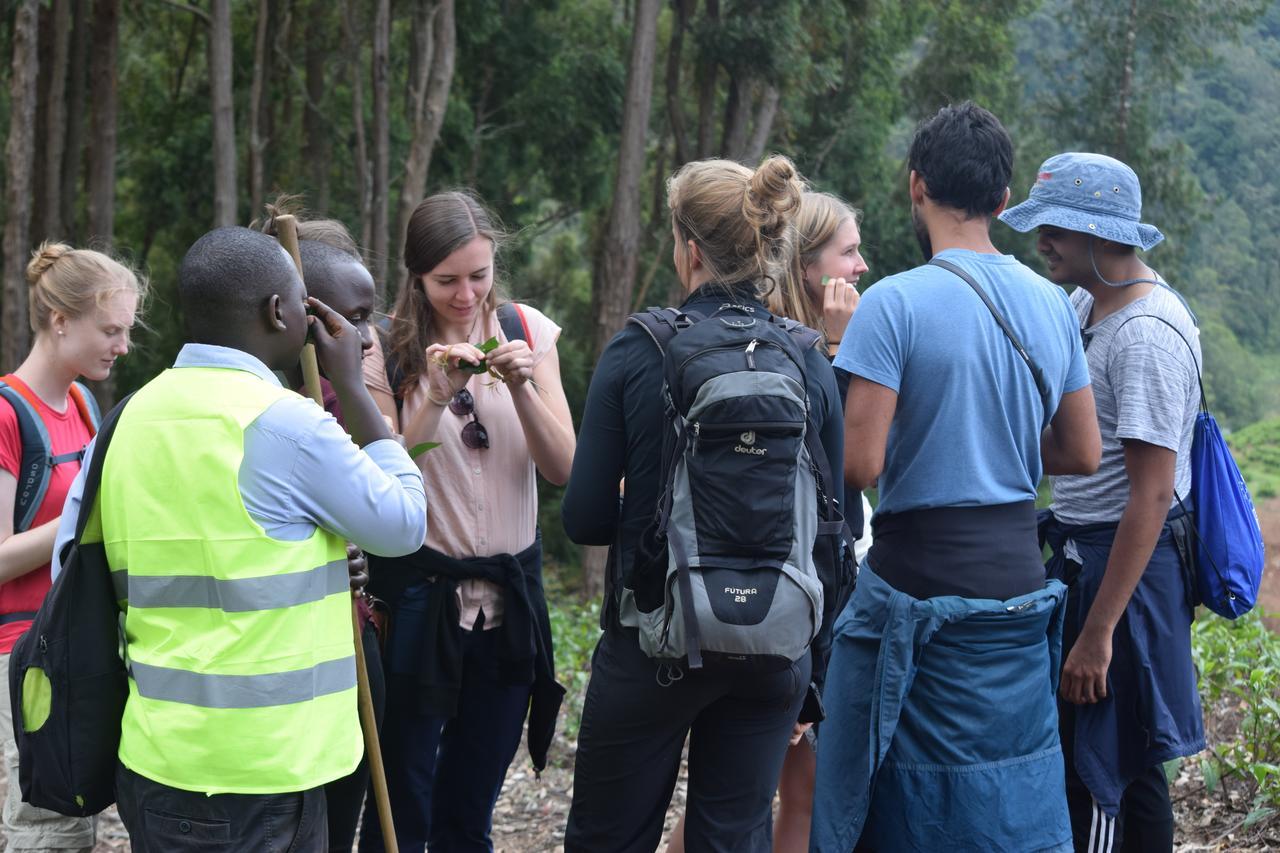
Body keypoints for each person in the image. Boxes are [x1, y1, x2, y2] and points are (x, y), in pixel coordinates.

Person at [51, 226, 427, 852]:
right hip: (269, 773)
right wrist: (355, 386)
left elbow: (74, 560)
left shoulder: (124, 422)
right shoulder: (286, 424)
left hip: (157, 766)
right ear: (278, 311)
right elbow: (404, 525)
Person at [811, 102, 1103, 852]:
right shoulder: (1052, 304)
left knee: (901, 792)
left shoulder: (892, 304)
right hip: (1014, 585)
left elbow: (860, 464)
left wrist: (839, 353)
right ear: (1005, 201)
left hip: (918, 585)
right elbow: (1080, 452)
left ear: (916, 187)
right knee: (1009, 784)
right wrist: (995, 441)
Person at [562, 155, 845, 853]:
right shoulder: (808, 357)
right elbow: (836, 531)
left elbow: (586, 519)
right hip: (775, 651)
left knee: (609, 838)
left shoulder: (641, 347)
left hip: (653, 642)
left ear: (689, 250)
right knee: (731, 839)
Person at [1001, 152, 1205, 852]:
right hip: (1088, 556)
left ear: (1102, 233)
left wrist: (1098, 633)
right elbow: (1080, 446)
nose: (1043, 240)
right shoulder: (1087, 304)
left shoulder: (1145, 335)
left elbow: (1150, 493)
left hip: (1126, 571)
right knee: (1110, 755)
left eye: (1056, 226)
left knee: (1103, 768)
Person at [359, 191, 573, 853]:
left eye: (478, 275)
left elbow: (565, 466)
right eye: (446, 280)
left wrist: (522, 386)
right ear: (416, 274)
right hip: (421, 603)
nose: (465, 293)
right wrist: (431, 392)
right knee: (403, 798)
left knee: (472, 799)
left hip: (509, 603)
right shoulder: (383, 346)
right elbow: (378, 479)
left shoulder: (528, 330)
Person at [667, 189, 873, 853]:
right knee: (754, 792)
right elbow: (829, 474)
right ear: (807, 265)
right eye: (847, 251)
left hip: (822, 589)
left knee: (787, 786)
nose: (862, 265)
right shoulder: (779, 348)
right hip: (781, 599)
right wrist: (838, 351)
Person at [0, 243, 143, 853]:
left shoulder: (83, 403)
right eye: (110, 330)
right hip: (24, 652)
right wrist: (79, 518)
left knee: (74, 815)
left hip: (74, 642)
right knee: (44, 826)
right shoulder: (7, 413)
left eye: (127, 330)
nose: (123, 345)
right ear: (61, 321)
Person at [255, 202, 388, 853]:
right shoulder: (258, 409)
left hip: (353, 642)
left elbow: (388, 515)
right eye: (353, 318)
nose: (367, 337)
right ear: (292, 313)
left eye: (370, 317)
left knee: (342, 823)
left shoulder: (342, 394)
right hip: (281, 669)